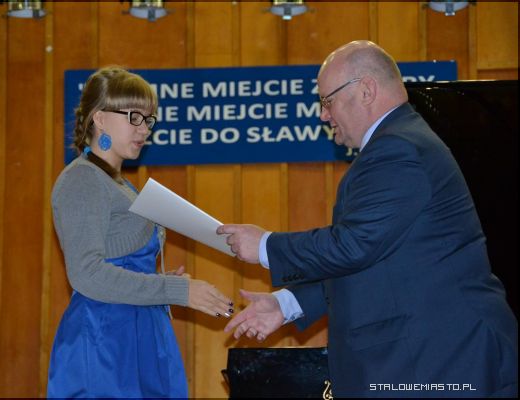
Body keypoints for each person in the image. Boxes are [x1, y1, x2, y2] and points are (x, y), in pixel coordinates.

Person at [218, 40, 517, 398]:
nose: (323, 115)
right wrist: (287, 304)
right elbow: (373, 260)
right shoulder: (401, 142)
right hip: (434, 356)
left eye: (327, 101)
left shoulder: (398, 148)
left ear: (366, 90)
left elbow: (355, 245)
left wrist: (266, 246)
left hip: (442, 358)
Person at [47, 66, 234, 398]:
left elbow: (121, 261)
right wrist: (176, 290)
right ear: (99, 118)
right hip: (106, 342)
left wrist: (160, 281)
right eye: (134, 117)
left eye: (149, 120)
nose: (144, 129)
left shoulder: (119, 184)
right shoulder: (82, 179)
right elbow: (86, 274)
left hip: (135, 330)